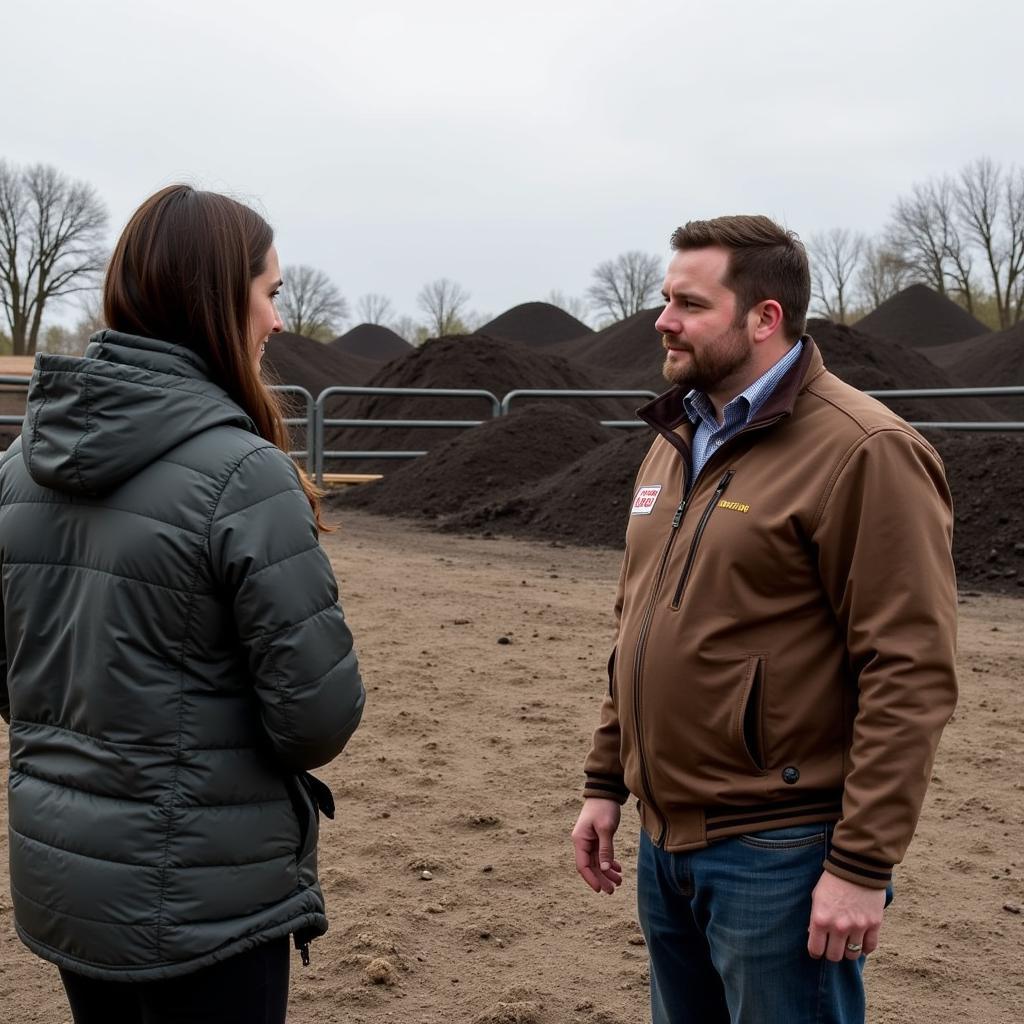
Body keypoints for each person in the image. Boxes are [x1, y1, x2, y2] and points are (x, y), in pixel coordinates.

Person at [571, 215, 958, 1024]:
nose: (663, 320)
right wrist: (607, 780)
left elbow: (910, 668)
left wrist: (859, 863)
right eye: (665, 298)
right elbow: (634, 622)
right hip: (664, 838)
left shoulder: (864, 449)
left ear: (765, 317)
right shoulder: (676, 435)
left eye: (688, 303)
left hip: (779, 851)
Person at [0, 184, 365, 1024]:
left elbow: (16, 679)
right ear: (215, 297)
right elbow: (317, 716)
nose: (278, 321)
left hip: (65, 881)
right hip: (203, 895)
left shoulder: (18, 467)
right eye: (270, 293)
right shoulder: (243, 474)